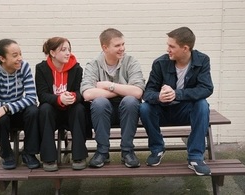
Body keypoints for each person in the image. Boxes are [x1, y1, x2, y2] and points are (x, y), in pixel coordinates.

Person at [139, 27, 214, 176]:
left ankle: (195, 157)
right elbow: (148, 92)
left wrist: (177, 94)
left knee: (202, 105)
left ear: (185, 48)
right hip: (163, 110)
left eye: (172, 46)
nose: (168, 49)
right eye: (168, 45)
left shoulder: (202, 60)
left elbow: (206, 88)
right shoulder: (160, 63)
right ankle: (157, 148)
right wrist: (159, 96)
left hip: (185, 111)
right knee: (144, 108)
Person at [80, 28, 145, 168]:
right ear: (105, 47)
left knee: (130, 101)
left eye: (123, 44)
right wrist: (123, 89)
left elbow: (138, 92)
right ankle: (102, 152)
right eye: (117, 45)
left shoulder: (131, 61)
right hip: (103, 114)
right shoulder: (93, 64)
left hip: (127, 111)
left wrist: (109, 86)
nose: (122, 48)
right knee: (99, 103)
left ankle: (127, 151)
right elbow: (87, 94)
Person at [35, 37, 88, 172]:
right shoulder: (41, 68)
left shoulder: (76, 68)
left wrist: (74, 96)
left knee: (79, 108)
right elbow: (42, 95)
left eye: (69, 50)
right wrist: (59, 99)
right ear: (52, 53)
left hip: (70, 112)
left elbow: (81, 91)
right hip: (52, 112)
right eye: (63, 50)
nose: (67, 53)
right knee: (44, 109)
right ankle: (49, 158)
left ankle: (79, 156)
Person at [0, 39, 40, 170]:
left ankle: (29, 152)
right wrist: (4, 109)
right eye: (15, 55)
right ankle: (7, 155)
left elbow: (32, 98)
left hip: (17, 113)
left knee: (33, 111)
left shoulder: (24, 67)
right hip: (5, 117)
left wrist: (6, 107)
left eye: (20, 54)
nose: (20, 58)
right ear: (2, 58)